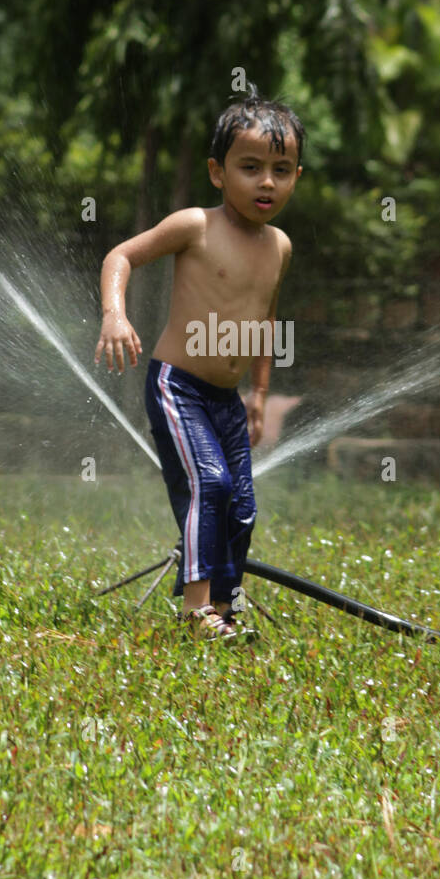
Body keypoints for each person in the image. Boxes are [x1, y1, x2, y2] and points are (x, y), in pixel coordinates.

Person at [95, 83, 305, 638]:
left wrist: (259, 396)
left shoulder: (279, 246)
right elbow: (121, 255)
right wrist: (115, 315)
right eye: (251, 167)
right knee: (209, 484)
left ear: (296, 178)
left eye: (281, 170)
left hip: (227, 400)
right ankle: (196, 610)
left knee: (241, 506)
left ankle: (227, 609)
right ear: (218, 172)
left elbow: (265, 322)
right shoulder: (195, 225)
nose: (266, 182)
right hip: (178, 386)